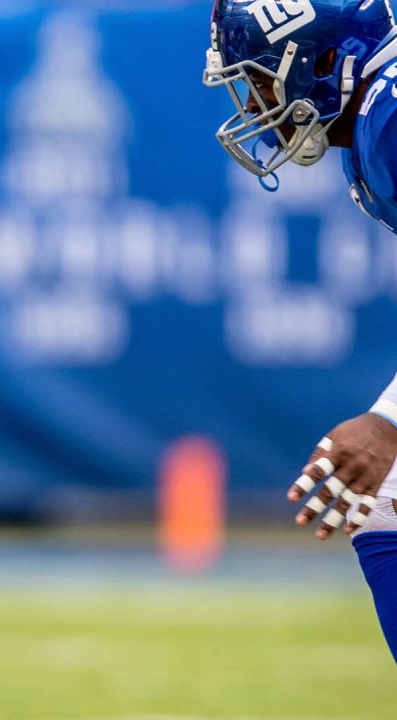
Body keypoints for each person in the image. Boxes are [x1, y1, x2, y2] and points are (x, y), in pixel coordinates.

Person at [206, 0, 397, 660]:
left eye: (261, 79)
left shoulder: (390, 118)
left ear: (323, 60)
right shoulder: (377, 115)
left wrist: (389, 419)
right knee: (385, 506)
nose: (256, 102)